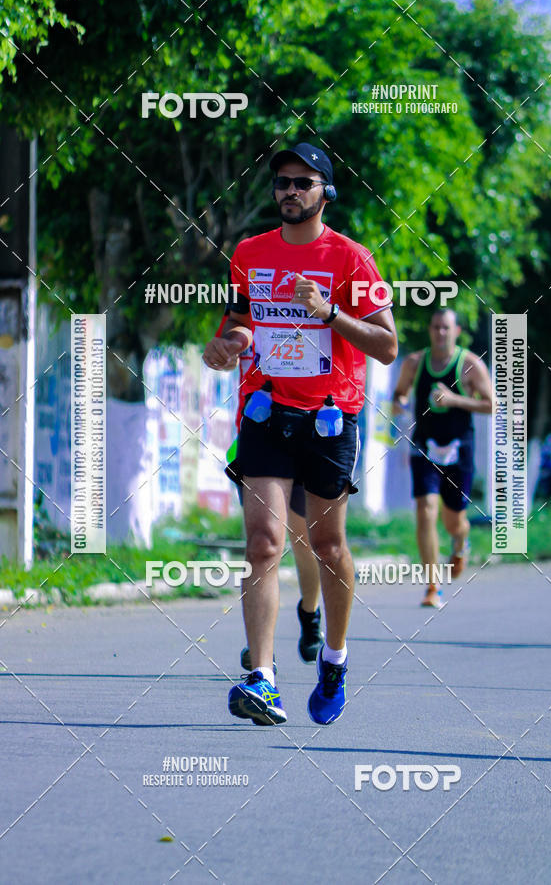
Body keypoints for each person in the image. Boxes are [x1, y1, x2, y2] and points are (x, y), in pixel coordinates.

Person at [203, 142, 397, 725]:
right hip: (264, 414)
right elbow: (242, 323)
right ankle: (262, 679)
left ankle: (334, 659)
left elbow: (387, 346)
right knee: (263, 543)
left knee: (327, 546)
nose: (289, 190)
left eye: (302, 182)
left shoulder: (351, 259)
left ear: (325, 192)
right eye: (282, 181)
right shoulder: (249, 253)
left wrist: (329, 312)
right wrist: (227, 346)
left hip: (329, 419)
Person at [206, 311, 324, 668]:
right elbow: (234, 341)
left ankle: (310, 612)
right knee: (262, 544)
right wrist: (224, 352)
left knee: (303, 539)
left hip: (312, 429)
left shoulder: (319, 294)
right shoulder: (251, 296)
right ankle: (261, 651)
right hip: (259, 432)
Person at [391, 308, 493, 608]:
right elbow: (399, 393)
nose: (440, 333)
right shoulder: (414, 363)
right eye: (436, 327)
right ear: (430, 330)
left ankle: (461, 542)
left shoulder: (470, 364)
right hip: (424, 446)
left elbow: (492, 405)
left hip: (459, 450)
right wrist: (400, 403)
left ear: (457, 331)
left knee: (454, 522)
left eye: (446, 328)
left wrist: (454, 400)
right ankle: (432, 586)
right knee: (425, 511)